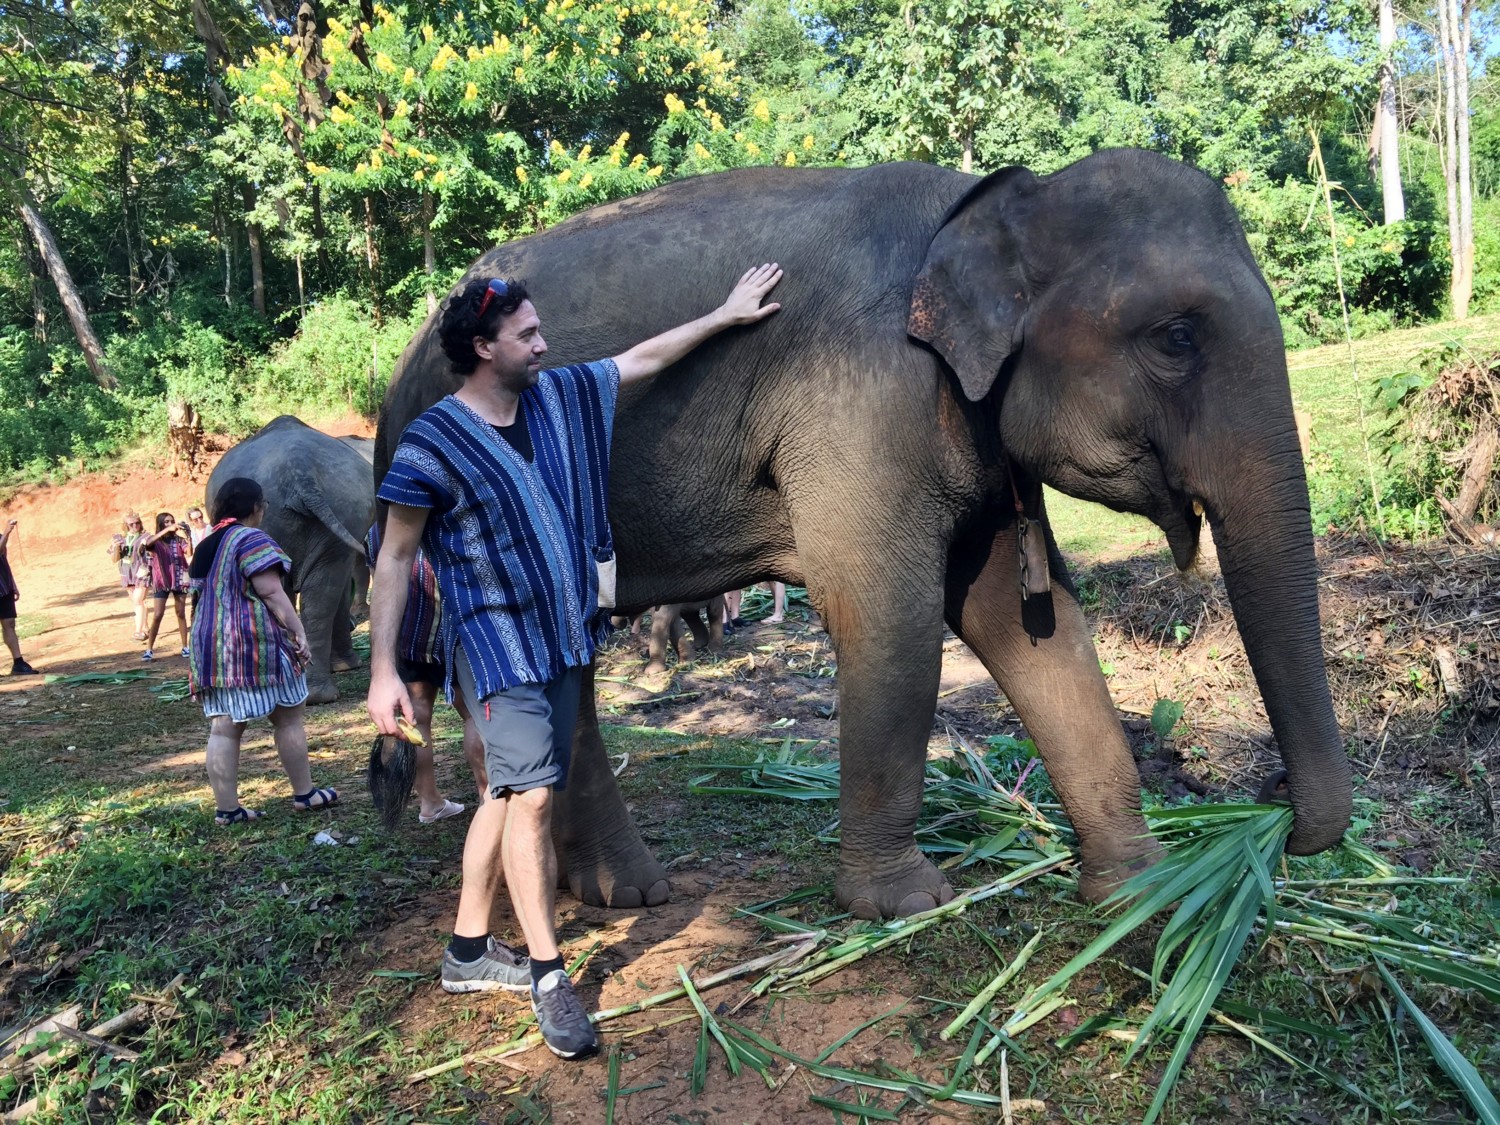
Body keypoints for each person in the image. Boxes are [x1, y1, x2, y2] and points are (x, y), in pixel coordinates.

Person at [368, 264, 783, 1059]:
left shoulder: (556, 398)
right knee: (531, 800)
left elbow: (642, 358)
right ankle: (550, 976)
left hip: (561, 637)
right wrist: (384, 670)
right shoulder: (432, 442)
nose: (543, 344)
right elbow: (394, 557)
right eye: (527, 334)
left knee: (506, 793)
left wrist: (725, 314)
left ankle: (467, 950)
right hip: (497, 647)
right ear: (484, 347)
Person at [189, 476, 339, 825]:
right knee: (289, 716)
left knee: (223, 727)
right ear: (256, 507)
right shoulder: (251, 538)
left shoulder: (205, 544)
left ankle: (228, 810)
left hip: (209, 647)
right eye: (263, 506)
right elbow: (271, 591)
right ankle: (305, 794)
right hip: (252, 643)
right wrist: (298, 630)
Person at [366, 519, 487, 818]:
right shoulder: (451, 519)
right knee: (474, 713)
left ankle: (430, 802)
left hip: (408, 635)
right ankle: (488, 800)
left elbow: (380, 583)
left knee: (416, 717)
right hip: (457, 634)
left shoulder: (379, 528)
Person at [140, 512, 192, 661]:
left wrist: (189, 537)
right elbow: (148, 544)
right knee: (158, 614)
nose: (170, 524)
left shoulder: (179, 540)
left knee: (180, 613)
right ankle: (149, 648)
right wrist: (166, 531)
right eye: (166, 522)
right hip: (162, 580)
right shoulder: (156, 541)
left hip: (180, 578)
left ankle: (185, 646)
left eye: (172, 521)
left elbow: (189, 553)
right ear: (161, 524)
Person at [0, 518, 38, 676]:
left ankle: (18, 662)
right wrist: (7, 532)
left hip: (3, 586)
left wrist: (12, 583)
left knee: (9, 623)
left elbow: (3, 560)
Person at [108, 513, 150, 640]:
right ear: (125, 525)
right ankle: (145, 627)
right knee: (137, 601)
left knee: (138, 600)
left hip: (142, 572)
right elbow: (114, 559)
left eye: (137, 523)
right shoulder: (120, 539)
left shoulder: (146, 537)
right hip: (127, 572)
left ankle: (138, 631)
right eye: (131, 524)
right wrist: (115, 547)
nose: (135, 526)